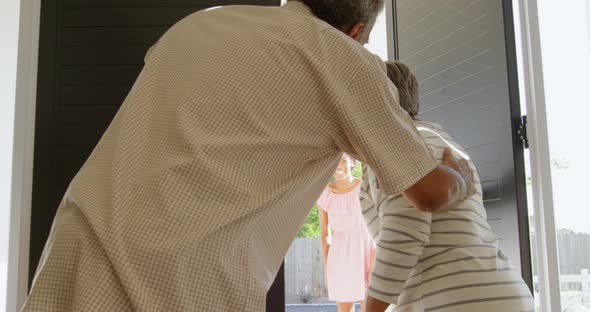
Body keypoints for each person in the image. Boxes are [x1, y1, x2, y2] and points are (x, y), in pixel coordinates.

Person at [22, 1, 475, 311]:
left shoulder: (201, 24)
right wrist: (457, 168)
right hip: (181, 285)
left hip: (79, 246)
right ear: (355, 32)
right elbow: (429, 192)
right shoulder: (341, 58)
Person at [361, 62, 534, 312]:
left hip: (447, 297)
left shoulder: (393, 146)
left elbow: (404, 233)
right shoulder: (443, 143)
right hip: (502, 292)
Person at [318, 154, 375, 312]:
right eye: (334, 161)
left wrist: (375, 264)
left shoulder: (365, 186)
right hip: (339, 256)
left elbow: (381, 227)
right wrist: (327, 269)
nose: (338, 165)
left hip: (367, 252)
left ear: (352, 162)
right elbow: (324, 234)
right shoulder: (324, 193)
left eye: (343, 160)